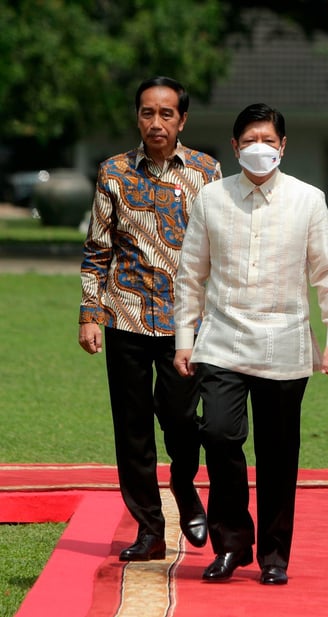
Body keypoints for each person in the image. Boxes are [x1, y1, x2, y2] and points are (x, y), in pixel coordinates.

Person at [173, 103, 328, 586]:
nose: (260, 147)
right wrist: (183, 339)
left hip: (285, 342)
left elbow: (326, 274)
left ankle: (275, 556)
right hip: (222, 339)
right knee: (220, 435)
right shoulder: (211, 198)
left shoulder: (308, 200)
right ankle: (231, 543)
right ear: (234, 147)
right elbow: (191, 275)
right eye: (250, 139)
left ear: (283, 146)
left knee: (277, 453)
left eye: (269, 140)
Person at [79, 76, 221, 562]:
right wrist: (89, 315)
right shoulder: (114, 172)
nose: (155, 122)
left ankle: (186, 491)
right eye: (147, 113)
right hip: (125, 317)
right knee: (132, 428)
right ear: (136, 117)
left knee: (182, 420)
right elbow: (98, 248)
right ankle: (149, 529)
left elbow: (220, 250)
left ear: (182, 120)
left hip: (188, 325)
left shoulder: (206, 171)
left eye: (166, 114)